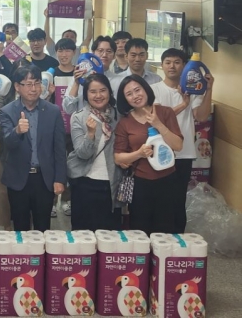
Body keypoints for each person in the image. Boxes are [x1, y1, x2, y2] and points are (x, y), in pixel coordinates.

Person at [150, 48, 214, 233]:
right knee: (158, 200)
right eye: (168, 62)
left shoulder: (193, 90)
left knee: (178, 201)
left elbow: (201, 116)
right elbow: (158, 118)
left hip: (184, 153)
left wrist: (208, 89)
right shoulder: (153, 90)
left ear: (185, 66)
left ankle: (177, 239)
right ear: (162, 65)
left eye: (177, 62)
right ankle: (156, 238)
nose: (172, 66)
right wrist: (183, 104)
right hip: (159, 152)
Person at [114, 74, 183, 235]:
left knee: (165, 230)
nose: (135, 96)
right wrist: (139, 153)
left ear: (146, 89)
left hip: (167, 180)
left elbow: (178, 145)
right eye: (129, 94)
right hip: (140, 183)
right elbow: (118, 158)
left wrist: (158, 124)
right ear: (125, 99)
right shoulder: (125, 122)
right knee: (140, 230)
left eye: (137, 90)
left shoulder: (165, 112)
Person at [0, 65, 66, 231]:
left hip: (44, 179)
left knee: (43, 227)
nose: (34, 88)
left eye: (37, 83)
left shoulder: (53, 111)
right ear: (17, 86)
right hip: (18, 179)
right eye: (28, 84)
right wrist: (17, 131)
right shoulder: (7, 111)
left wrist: (59, 179)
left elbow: (59, 148)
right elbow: (7, 143)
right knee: (20, 228)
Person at [67, 74, 122, 231]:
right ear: (86, 95)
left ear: (109, 92)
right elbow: (82, 153)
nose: (98, 95)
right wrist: (90, 134)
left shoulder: (119, 116)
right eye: (93, 92)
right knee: (83, 233)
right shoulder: (78, 117)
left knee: (110, 233)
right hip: (84, 182)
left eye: (102, 90)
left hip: (112, 183)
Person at [48, 37, 77, 217]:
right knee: (53, 163)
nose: (63, 54)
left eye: (67, 51)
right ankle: (51, 201)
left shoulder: (80, 72)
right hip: (55, 125)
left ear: (74, 53)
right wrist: (49, 93)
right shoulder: (50, 73)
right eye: (60, 50)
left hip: (76, 127)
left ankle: (68, 200)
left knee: (72, 163)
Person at [63, 35, 117, 115]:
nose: (104, 55)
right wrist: (76, 83)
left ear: (114, 55)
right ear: (93, 53)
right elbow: (68, 109)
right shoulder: (80, 77)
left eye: (109, 51)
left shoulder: (118, 80)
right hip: (82, 121)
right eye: (100, 50)